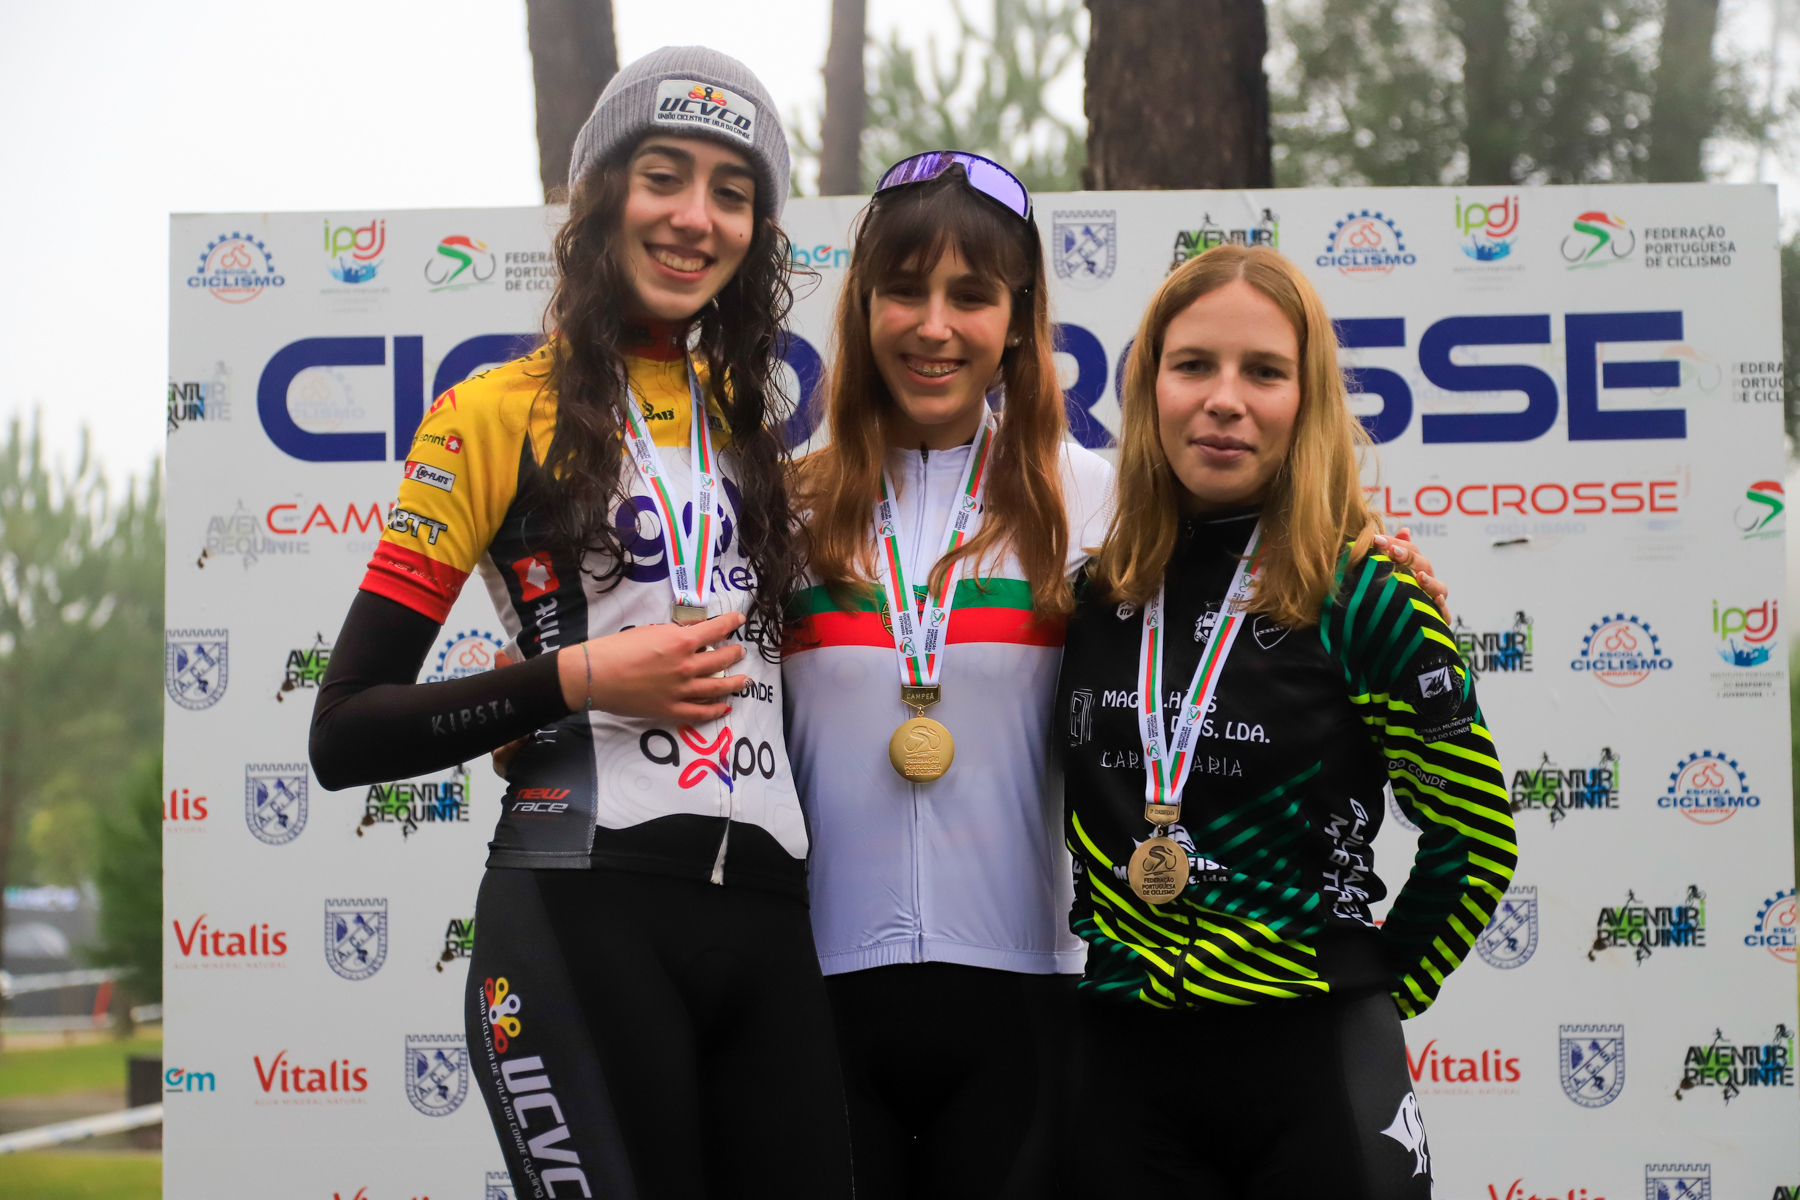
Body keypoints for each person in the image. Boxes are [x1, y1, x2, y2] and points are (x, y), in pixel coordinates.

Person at [782, 159, 1453, 1196]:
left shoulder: (1088, 499)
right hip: (819, 994)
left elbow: (1265, 537)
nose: (934, 326)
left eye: (971, 295)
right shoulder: (786, 512)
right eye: (904, 291)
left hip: (1028, 1001)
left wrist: (1373, 542)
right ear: (862, 306)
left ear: (1018, 319)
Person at [308, 47, 853, 1200]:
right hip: (580, 915)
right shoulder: (490, 414)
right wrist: (576, 678)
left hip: (766, 924)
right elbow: (346, 729)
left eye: (733, 189)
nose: (695, 216)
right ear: (598, 191)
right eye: (665, 174)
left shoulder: (753, 426)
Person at [1055, 243, 1517, 1199]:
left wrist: (1372, 985)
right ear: (1149, 390)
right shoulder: (1095, 596)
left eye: (1264, 371)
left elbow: (1475, 836)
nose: (1226, 398)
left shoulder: (1366, 593)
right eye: (1193, 366)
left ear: (1306, 401)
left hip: (1313, 1063)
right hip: (1122, 1061)